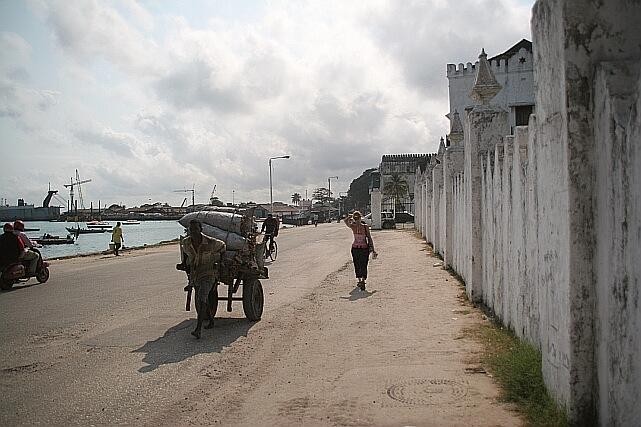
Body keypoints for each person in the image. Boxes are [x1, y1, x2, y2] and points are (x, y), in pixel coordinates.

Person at [180, 220, 226, 339]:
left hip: (209, 274)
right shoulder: (186, 242)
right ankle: (211, 320)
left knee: (201, 298)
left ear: (201, 230)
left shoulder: (210, 242)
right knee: (203, 299)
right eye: (191, 229)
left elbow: (223, 247)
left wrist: (220, 262)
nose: (193, 232)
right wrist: (184, 263)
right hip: (195, 275)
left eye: (195, 229)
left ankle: (198, 329)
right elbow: (186, 254)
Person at [343, 211, 377, 291]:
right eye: (355, 218)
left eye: (357, 218)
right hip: (355, 248)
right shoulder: (353, 226)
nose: (357, 220)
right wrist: (350, 217)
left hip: (363, 248)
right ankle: (360, 280)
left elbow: (369, 238)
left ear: (360, 218)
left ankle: (362, 280)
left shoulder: (364, 227)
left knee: (363, 264)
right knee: (357, 264)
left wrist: (373, 249)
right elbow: (345, 221)